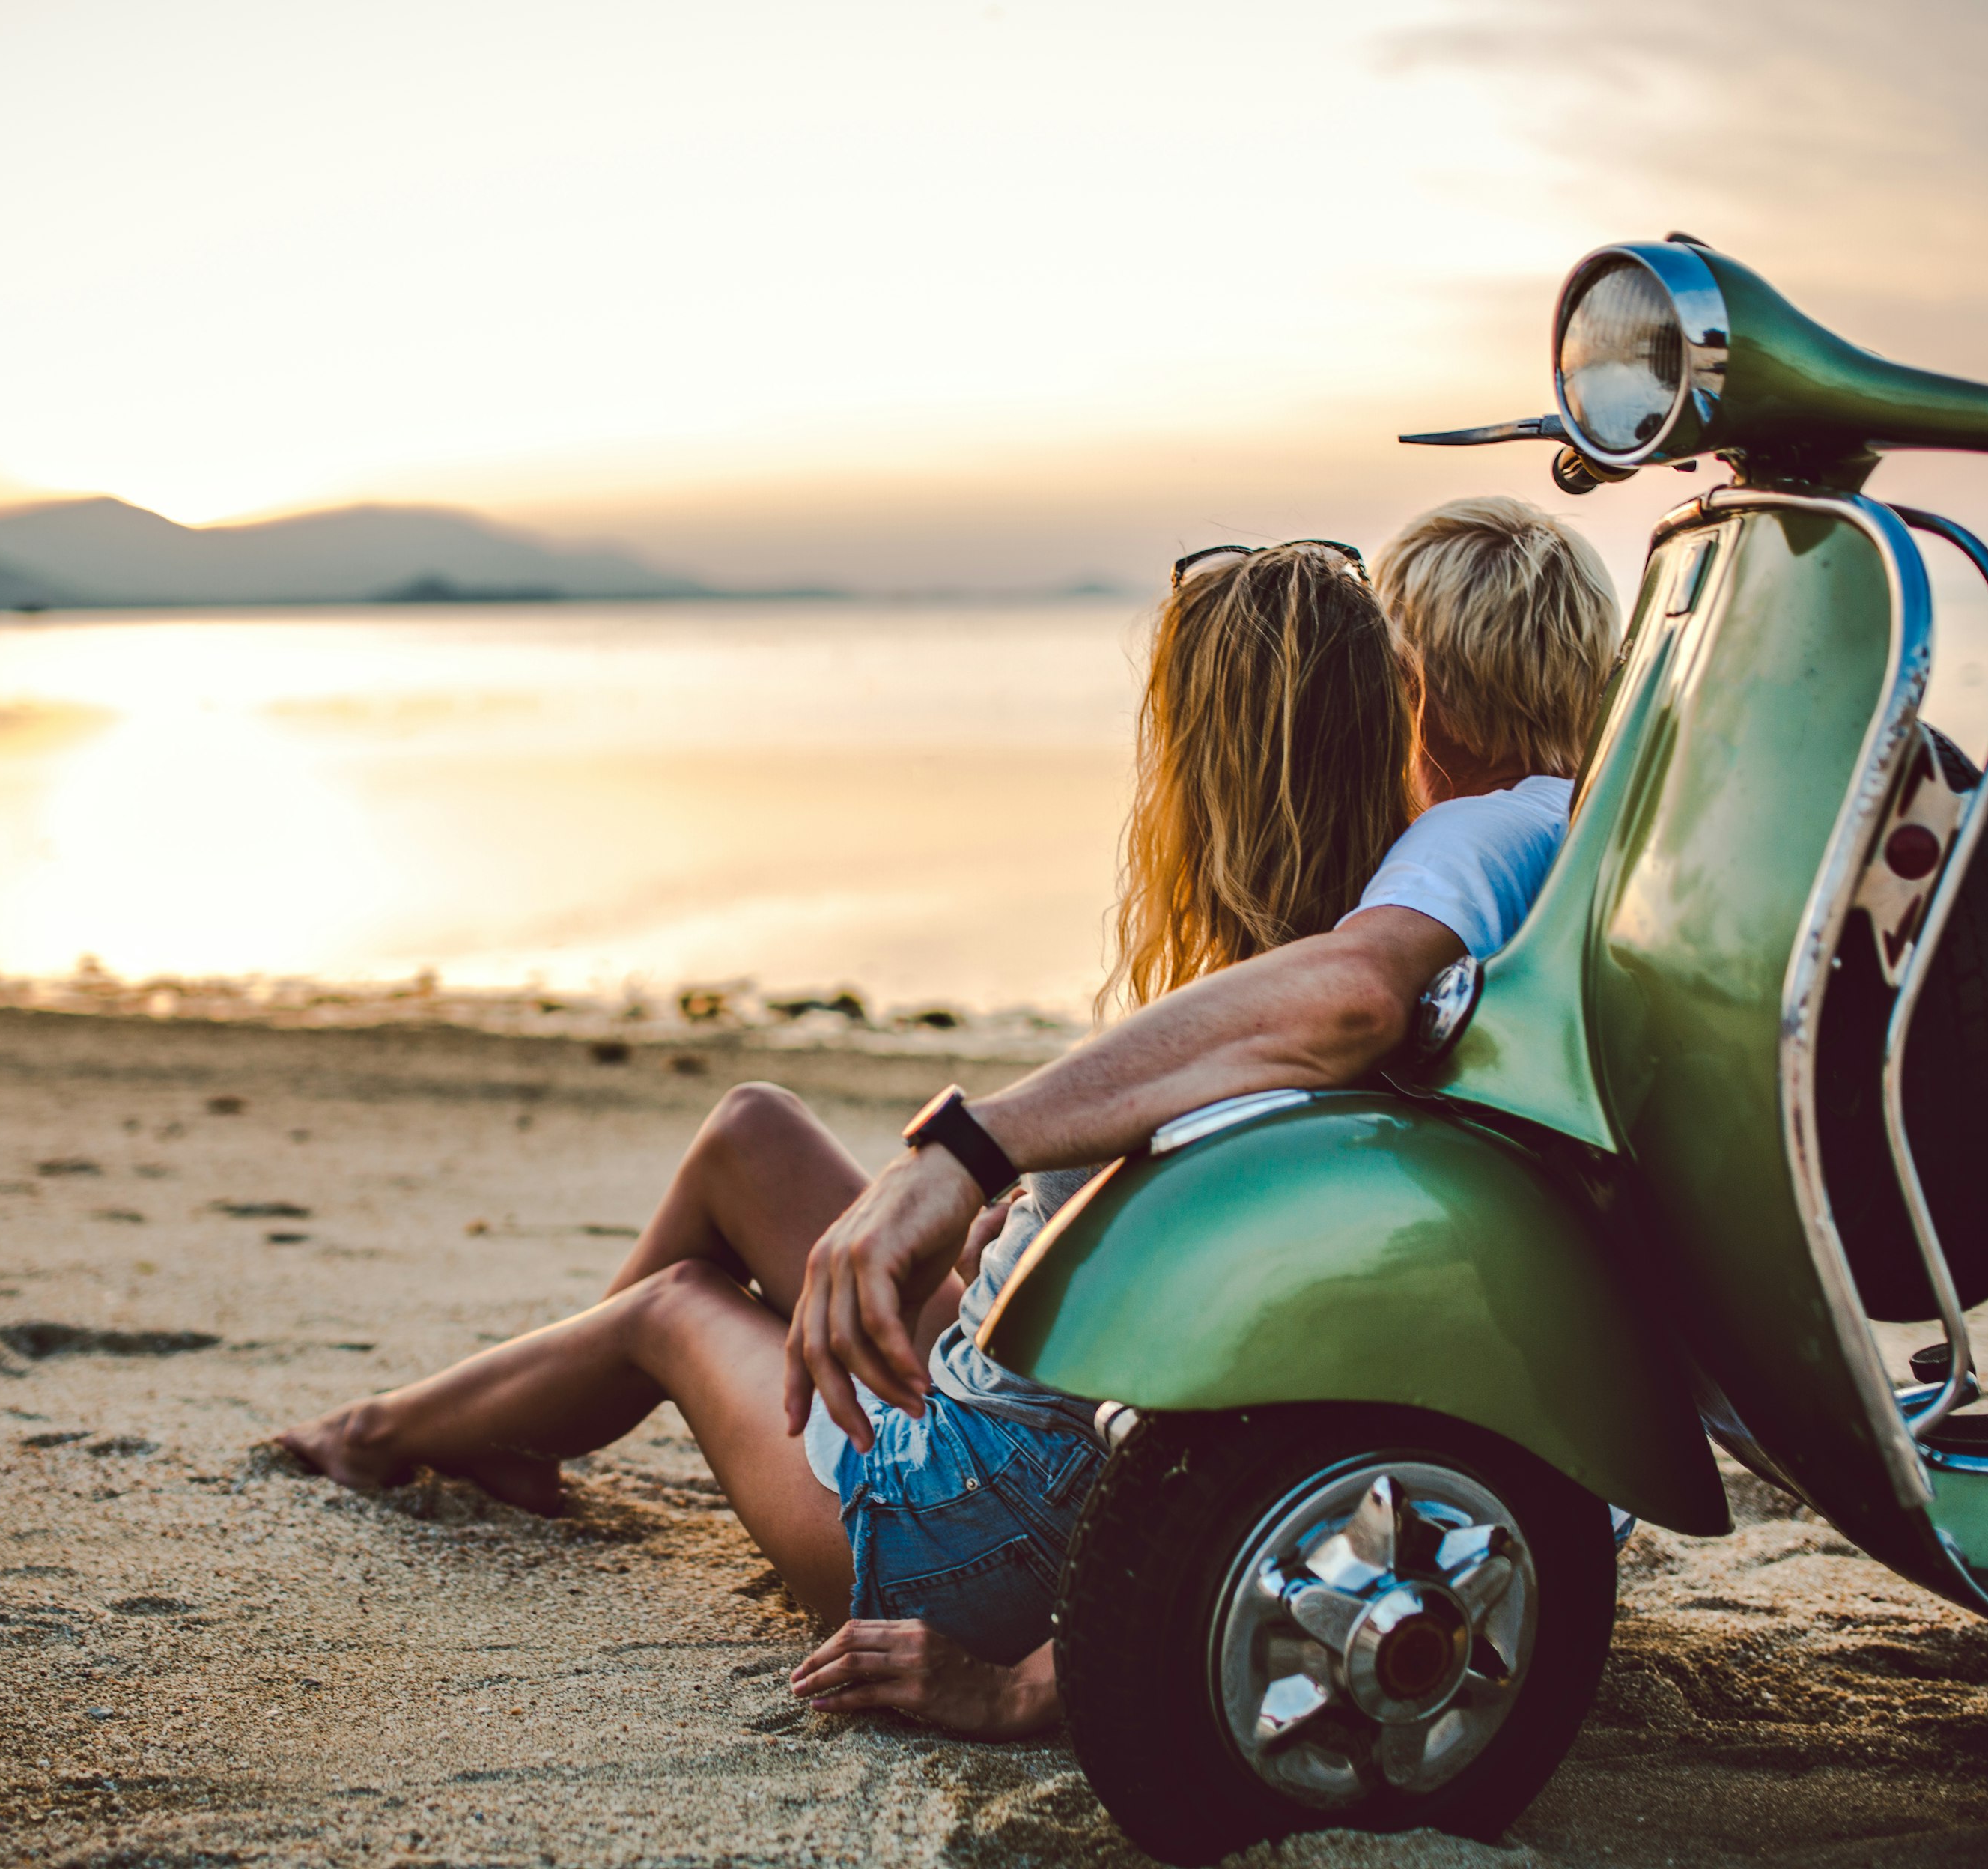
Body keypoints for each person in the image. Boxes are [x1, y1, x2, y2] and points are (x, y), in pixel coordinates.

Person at [270, 536, 1414, 1698]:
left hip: (965, 1531)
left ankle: (386, 1433)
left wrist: (1023, 1686)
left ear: (1201, 769)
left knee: (675, 1311)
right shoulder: (1313, 980)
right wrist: (1016, 1245)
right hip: (997, 1384)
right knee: (751, 1131)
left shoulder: (1298, 1026)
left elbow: (1272, 1438)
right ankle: (518, 1429)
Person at [780, 495, 1618, 1732]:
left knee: (698, 1287)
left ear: (1419, 693)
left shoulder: (1477, 839)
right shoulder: (1576, 851)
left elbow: (1347, 997)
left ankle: (408, 1438)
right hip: (1541, 1461)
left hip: (1425, 1486)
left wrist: (980, 1141)